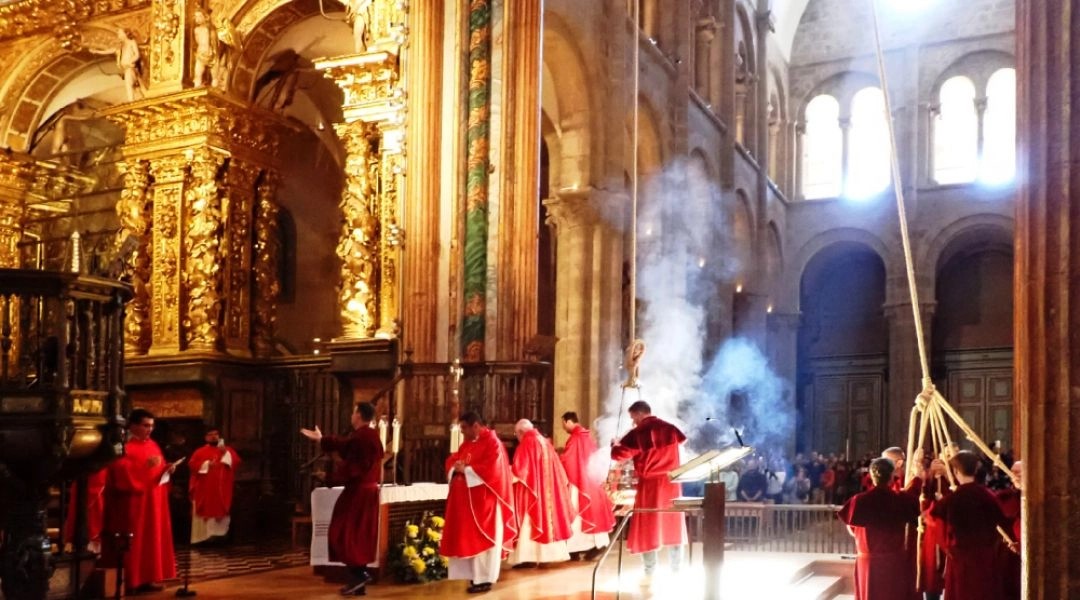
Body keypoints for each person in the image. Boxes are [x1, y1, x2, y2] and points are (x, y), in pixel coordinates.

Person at [300, 402, 384, 596]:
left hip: (359, 493)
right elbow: (345, 444)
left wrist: (328, 477)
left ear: (359, 415)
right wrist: (322, 440)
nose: (351, 415)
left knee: (342, 532)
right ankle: (358, 581)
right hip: (366, 492)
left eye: (353, 411)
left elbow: (352, 465)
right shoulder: (367, 436)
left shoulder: (363, 437)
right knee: (357, 535)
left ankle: (359, 575)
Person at [610, 400, 687, 586]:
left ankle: (650, 572)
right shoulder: (670, 428)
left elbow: (618, 455)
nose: (632, 422)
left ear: (638, 414)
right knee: (673, 525)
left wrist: (614, 444)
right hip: (671, 482)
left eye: (632, 418)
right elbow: (681, 442)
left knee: (648, 527)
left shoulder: (638, 433)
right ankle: (677, 570)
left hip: (650, 485)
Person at [102, 409, 178, 595]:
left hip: (154, 501)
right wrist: (145, 468)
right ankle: (130, 581)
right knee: (135, 542)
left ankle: (148, 578)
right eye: (145, 425)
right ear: (133, 425)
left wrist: (167, 469)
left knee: (151, 540)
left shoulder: (152, 445)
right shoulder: (124, 446)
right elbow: (119, 472)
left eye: (151, 425)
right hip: (133, 502)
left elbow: (156, 470)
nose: (149, 429)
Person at [441, 412, 518, 594]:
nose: (462, 432)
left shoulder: (493, 444)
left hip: (485, 504)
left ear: (475, 425)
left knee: (485, 543)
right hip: (468, 503)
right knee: (468, 540)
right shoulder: (467, 443)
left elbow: (494, 470)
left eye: (464, 428)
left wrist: (466, 469)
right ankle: (474, 577)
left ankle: (484, 579)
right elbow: (453, 459)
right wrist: (456, 467)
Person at [928, 451, 1016, 600]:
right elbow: (1005, 523)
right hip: (985, 559)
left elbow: (933, 520)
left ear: (955, 472)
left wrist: (947, 547)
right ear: (976, 470)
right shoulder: (988, 496)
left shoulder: (951, 500)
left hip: (960, 559)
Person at [836, 457, 920, 600]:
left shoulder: (858, 500)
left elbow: (851, 528)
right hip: (893, 563)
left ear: (871, 476)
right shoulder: (900, 499)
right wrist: (917, 478)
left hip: (867, 563)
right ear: (892, 477)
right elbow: (913, 502)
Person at [507, 419, 573, 567]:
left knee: (530, 521)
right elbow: (559, 470)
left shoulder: (526, 443)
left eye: (516, 434)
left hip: (532, 492)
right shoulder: (545, 442)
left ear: (521, 432)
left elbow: (520, 470)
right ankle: (547, 557)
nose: (517, 437)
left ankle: (528, 558)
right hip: (548, 491)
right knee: (548, 520)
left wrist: (505, 474)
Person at [560, 412, 615, 560]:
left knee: (577, 515)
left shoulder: (575, 438)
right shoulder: (587, 438)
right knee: (593, 515)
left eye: (563, 424)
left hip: (579, 483)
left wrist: (556, 462)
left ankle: (575, 550)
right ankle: (598, 545)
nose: (563, 427)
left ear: (568, 421)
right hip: (591, 481)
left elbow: (567, 461)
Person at [188, 426, 241, 545]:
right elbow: (192, 466)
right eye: (210, 434)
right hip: (205, 489)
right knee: (205, 512)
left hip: (222, 490)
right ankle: (204, 539)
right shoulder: (199, 452)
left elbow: (236, 462)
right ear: (206, 438)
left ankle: (220, 538)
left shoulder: (226, 450)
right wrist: (206, 464)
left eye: (216, 434)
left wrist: (225, 453)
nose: (213, 436)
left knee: (221, 513)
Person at [995, 461, 1022, 600]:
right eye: (1013, 472)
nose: (1015, 475)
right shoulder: (1005, 497)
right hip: (1007, 556)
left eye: (1019, 472)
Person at [64, 468, 107, 554]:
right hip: (86, 470)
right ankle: (83, 544)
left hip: (99, 468)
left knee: (98, 504)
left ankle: (95, 544)